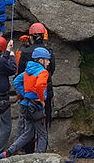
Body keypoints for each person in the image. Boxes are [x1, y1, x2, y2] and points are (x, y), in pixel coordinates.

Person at [1, 47, 52, 157]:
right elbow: (39, 85)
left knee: (28, 134)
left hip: (26, 105)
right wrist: (41, 99)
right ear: (40, 60)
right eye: (47, 59)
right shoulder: (43, 72)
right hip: (36, 106)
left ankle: (8, 152)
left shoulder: (28, 70)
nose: (48, 62)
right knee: (42, 133)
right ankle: (40, 157)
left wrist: (25, 94)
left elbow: (16, 82)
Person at [15, 22, 55, 154]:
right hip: (44, 94)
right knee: (42, 127)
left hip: (28, 95)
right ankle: (41, 154)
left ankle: (28, 151)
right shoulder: (49, 52)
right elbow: (52, 71)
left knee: (28, 127)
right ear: (44, 35)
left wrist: (23, 91)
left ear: (30, 36)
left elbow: (20, 72)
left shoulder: (24, 51)